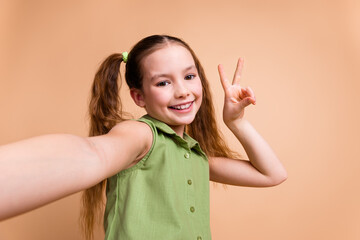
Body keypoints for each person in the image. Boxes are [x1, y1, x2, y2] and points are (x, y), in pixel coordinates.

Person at [0, 35, 287, 239]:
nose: (183, 91)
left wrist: (236, 122)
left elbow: (272, 174)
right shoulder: (140, 135)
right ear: (139, 97)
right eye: (163, 82)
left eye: (189, 76)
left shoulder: (196, 155)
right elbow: (93, 154)